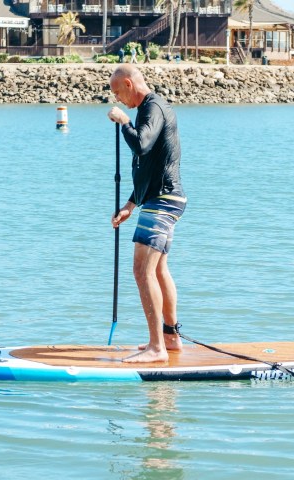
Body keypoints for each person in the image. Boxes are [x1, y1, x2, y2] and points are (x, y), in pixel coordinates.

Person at [107, 65, 187, 363]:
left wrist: (124, 121)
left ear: (129, 83)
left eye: (117, 92)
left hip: (163, 201)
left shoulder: (152, 107)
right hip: (165, 198)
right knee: (158, 269)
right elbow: (150, 164)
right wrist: (130, 204)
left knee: (141, 271)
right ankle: (170, 337)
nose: (117, 98)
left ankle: (157, 348)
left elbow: (140, 145)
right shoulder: (150, 108)